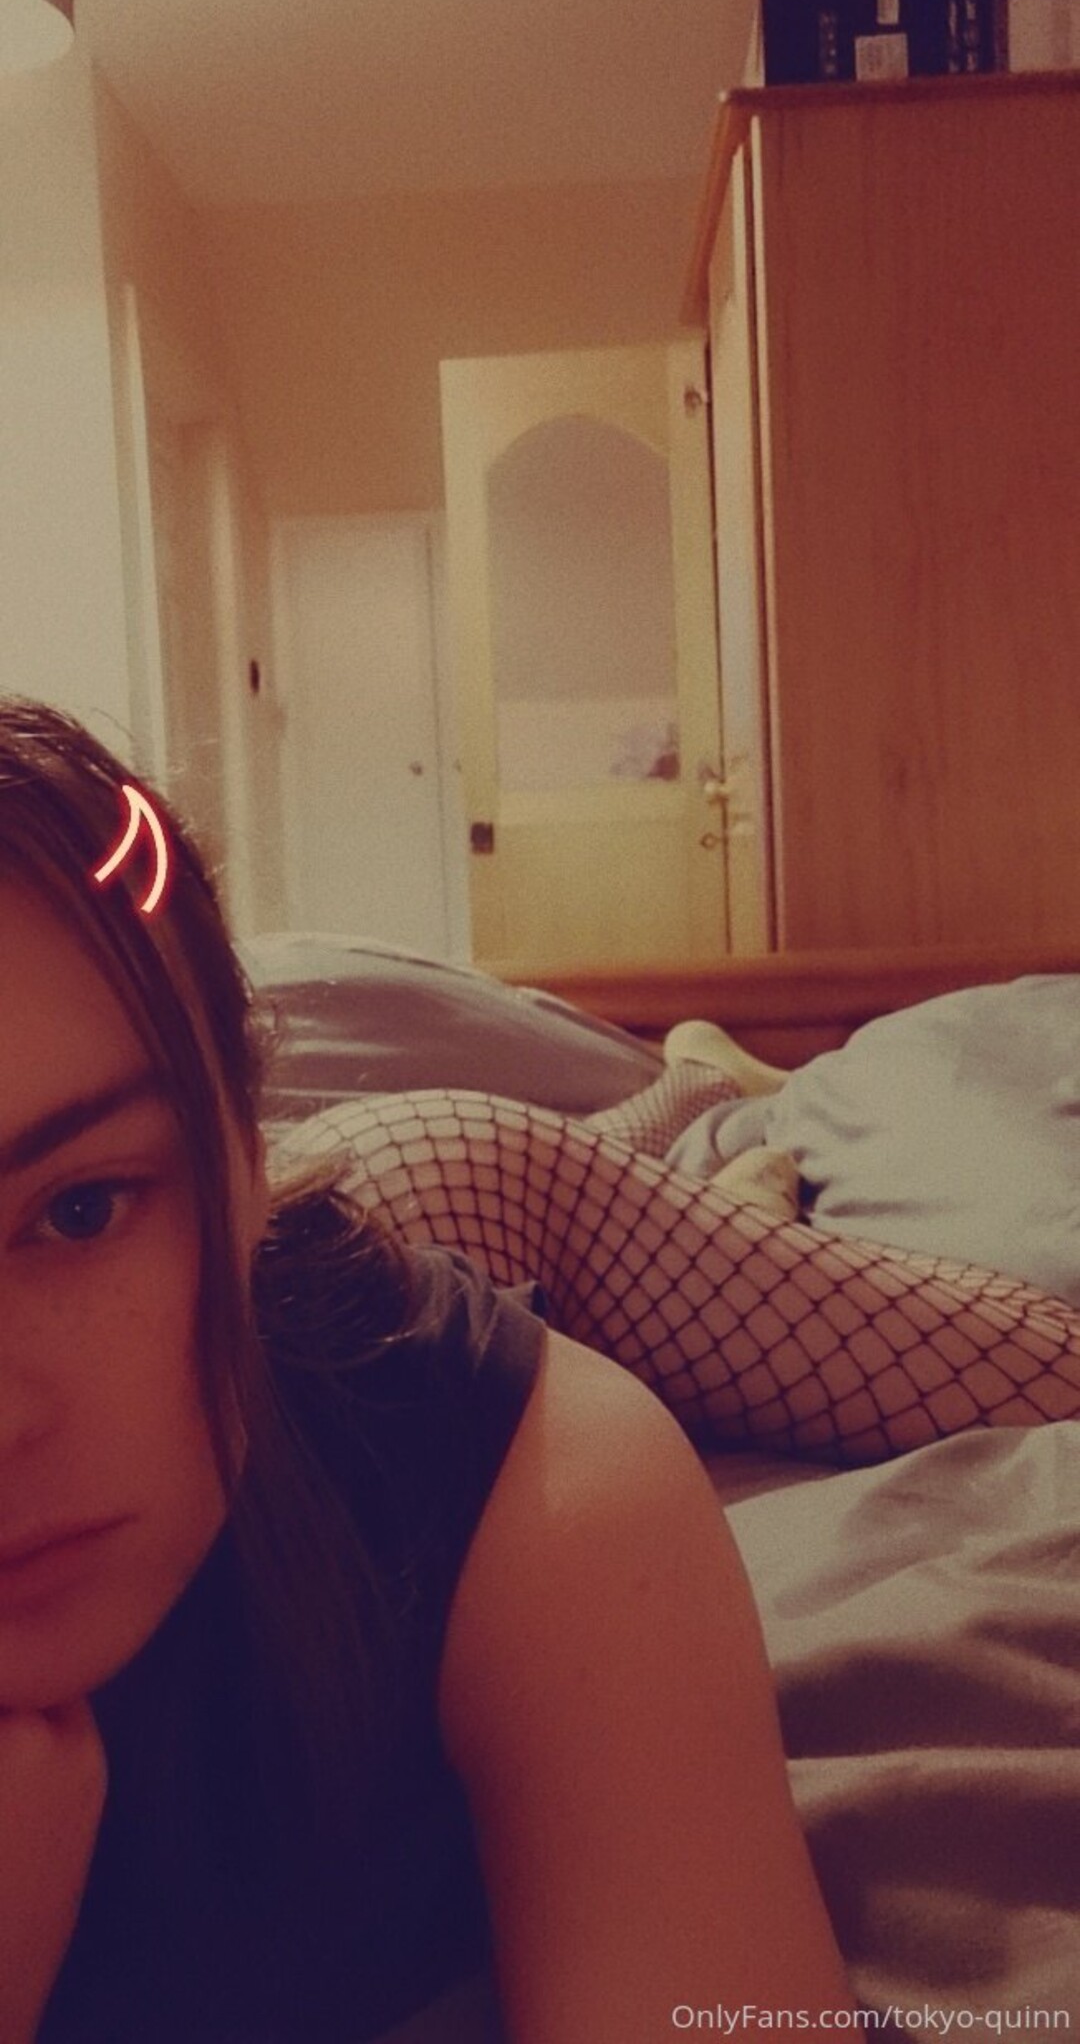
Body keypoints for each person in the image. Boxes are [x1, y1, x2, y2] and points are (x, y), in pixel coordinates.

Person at [0, 693, 857, 2043]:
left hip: (463, 1172)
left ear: (244, 1138)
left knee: (743, 1223)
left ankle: (706, 1098)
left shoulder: (505, 1457)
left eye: (81, 1209)